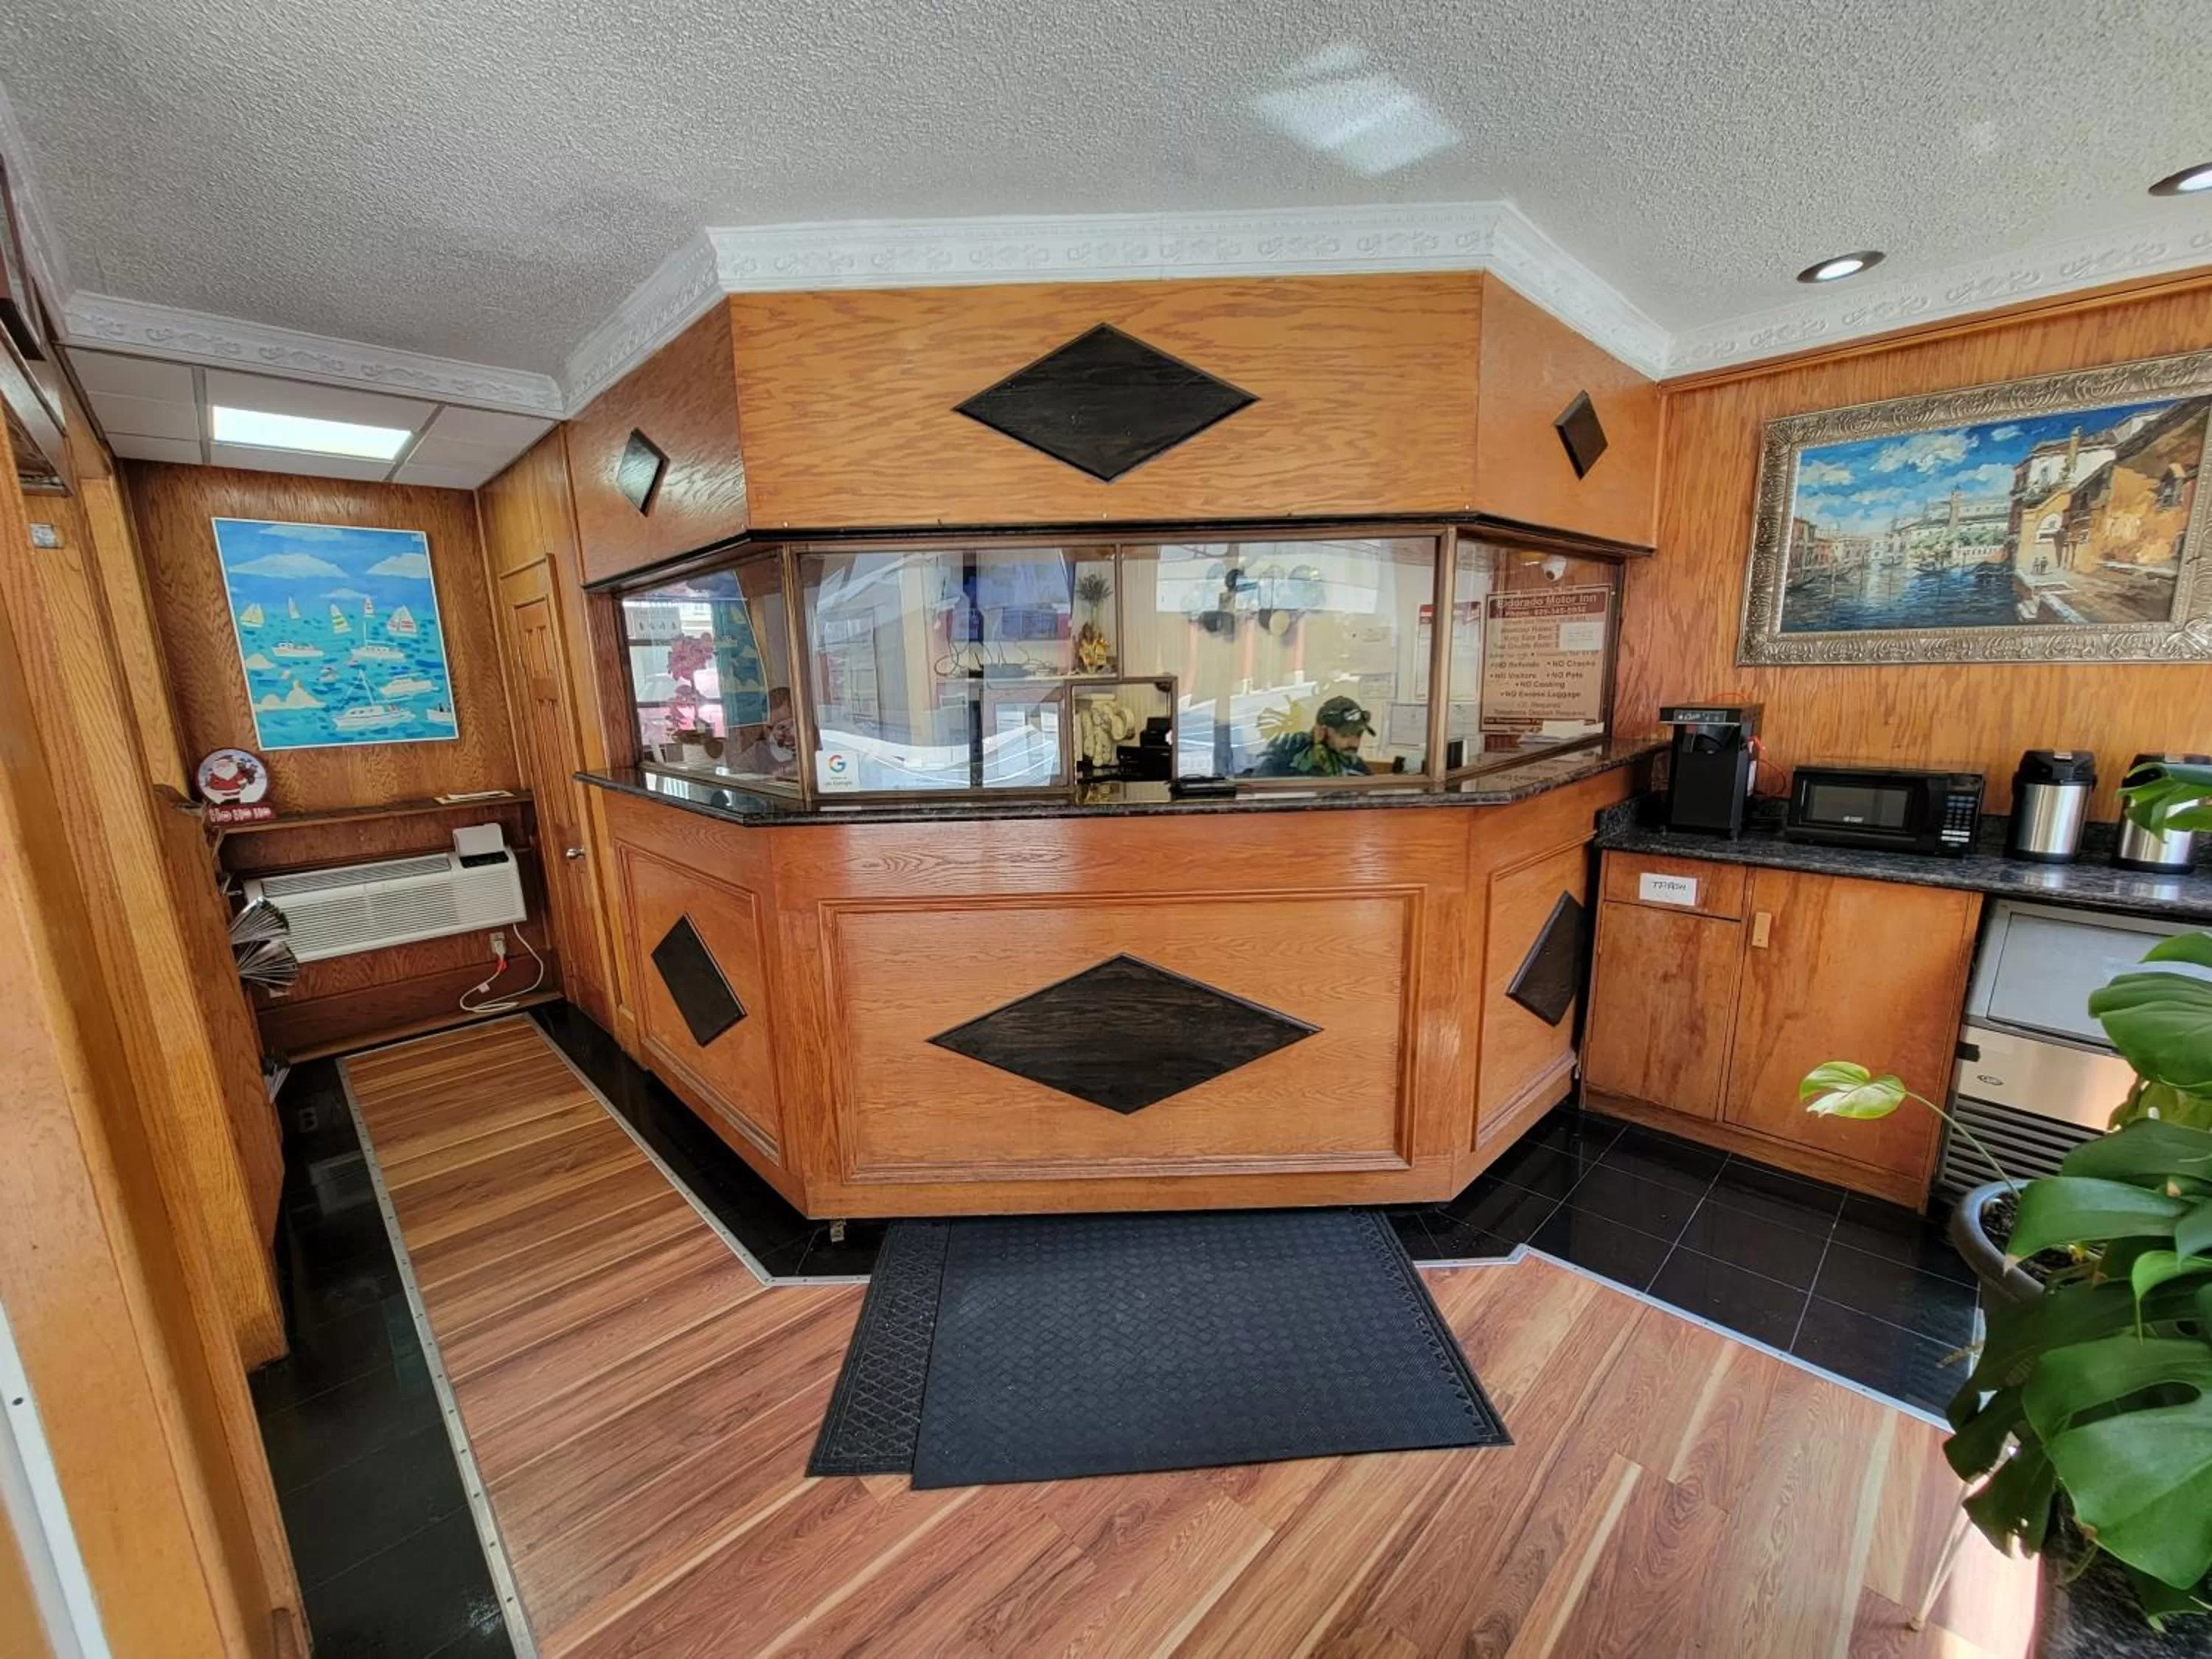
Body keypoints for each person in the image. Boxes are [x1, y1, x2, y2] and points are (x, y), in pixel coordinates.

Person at [1253, 695, 1375, 777]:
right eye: (1345, 735)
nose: (1355, 743)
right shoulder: (1289, 751)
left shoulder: (1356, 766)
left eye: (1358, 735)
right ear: (1320, 732)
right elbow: (1259, 788)